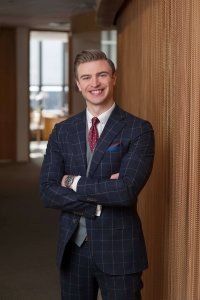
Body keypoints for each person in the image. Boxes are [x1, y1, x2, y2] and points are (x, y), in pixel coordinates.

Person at [40, 49, 155, 300]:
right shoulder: (62, 132)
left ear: (113, 78)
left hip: (119, 251)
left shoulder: (138, 130)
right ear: (78, 84)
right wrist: (100, 197)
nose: (95, 83)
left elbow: (124, 191)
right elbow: (48, 191)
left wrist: (72, 182)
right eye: (87, 77)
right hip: (73, 249)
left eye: (101, 75)